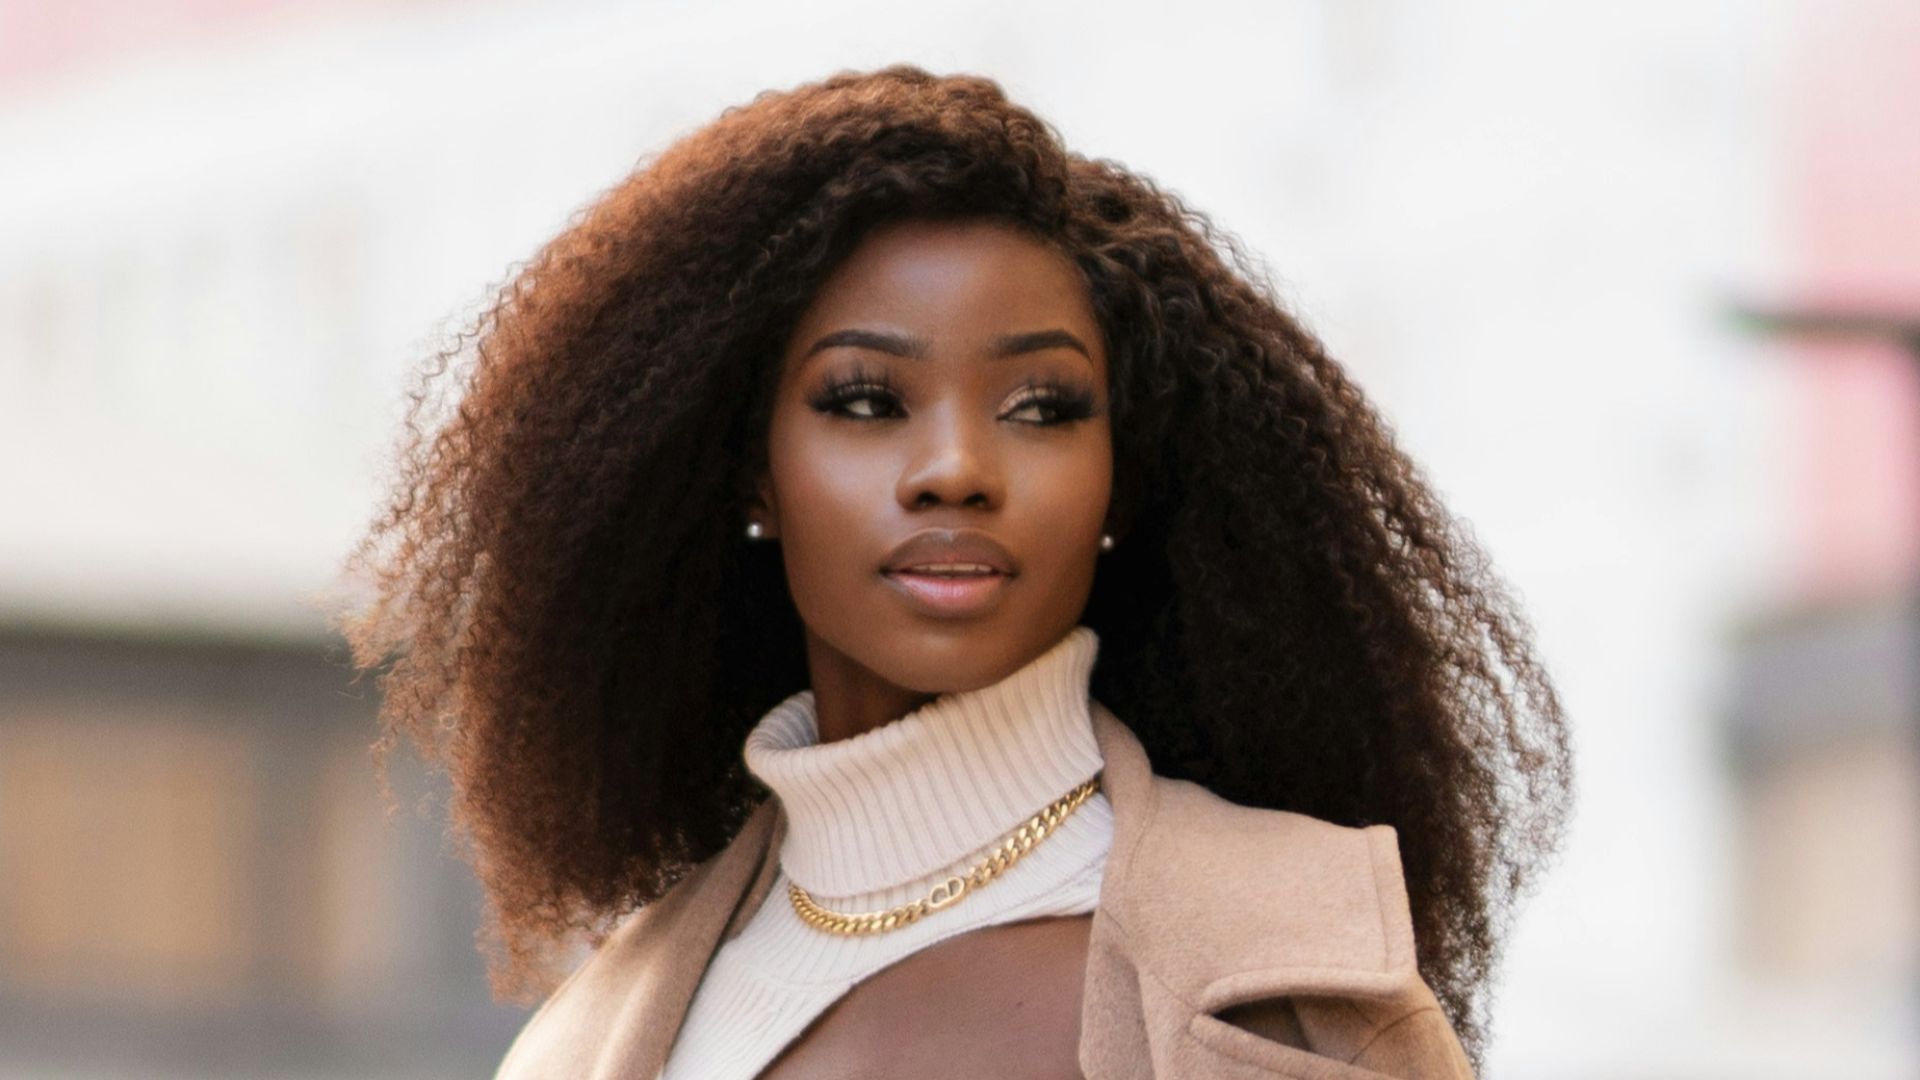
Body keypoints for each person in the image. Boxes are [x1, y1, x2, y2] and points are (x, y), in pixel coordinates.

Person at [330, 64, 1571, 1079]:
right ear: (751, 475)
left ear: (1119, 487)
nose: (957, 469)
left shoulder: (1295, 985)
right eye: (866, 400)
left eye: (1041, 407)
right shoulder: (596, 1037)